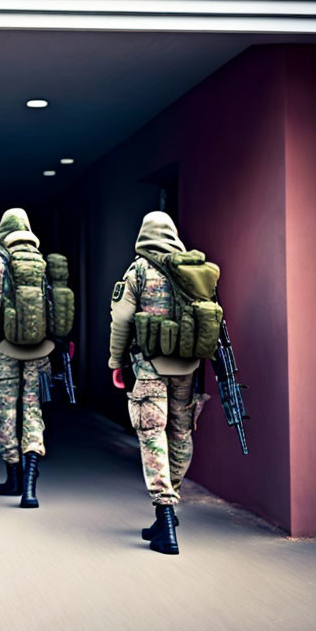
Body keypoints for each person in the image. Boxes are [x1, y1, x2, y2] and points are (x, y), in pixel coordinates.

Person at [108, 211, 208, 555]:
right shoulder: (191, 270)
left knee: (152, 435)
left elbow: (120, 321)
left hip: (149, 365)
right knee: (181, 432)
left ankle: (165, 517)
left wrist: (116, 362)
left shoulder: (138, 270)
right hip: (187, 366)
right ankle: (168, 510)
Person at [0, 208, 54, 509]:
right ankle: (30, 487)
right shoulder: (42, 263)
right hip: (40, 352)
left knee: (6, 412)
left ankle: (13, 477)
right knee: (33, 413)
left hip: (3, 350)